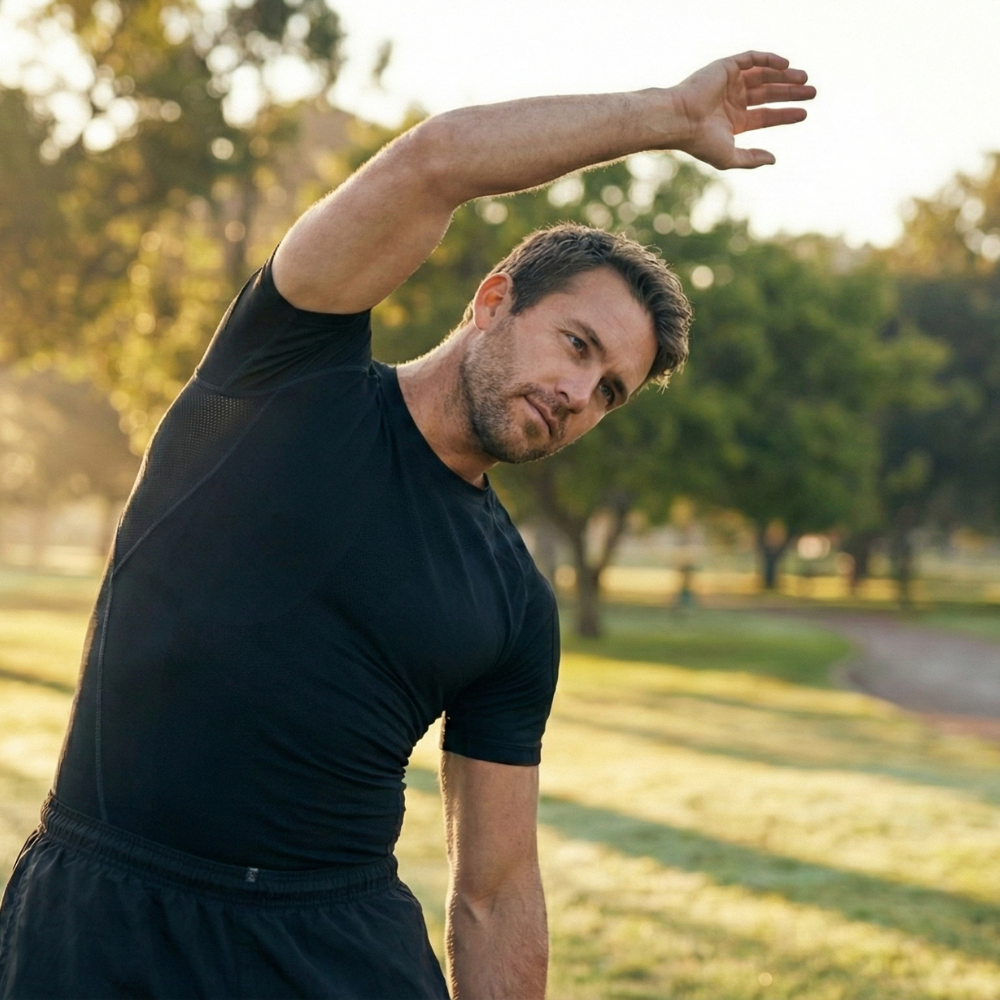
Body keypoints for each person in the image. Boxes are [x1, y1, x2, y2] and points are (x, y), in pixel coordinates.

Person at [0, 51, 814, 1000]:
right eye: (577, 346)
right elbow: (436, 161)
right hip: (105, 919)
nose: (578, 395)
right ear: (494, 298)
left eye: (609, 393)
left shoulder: (513, 605)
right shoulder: (285, 367)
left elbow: (497, 888)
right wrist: (667, 113)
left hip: (334, 949)